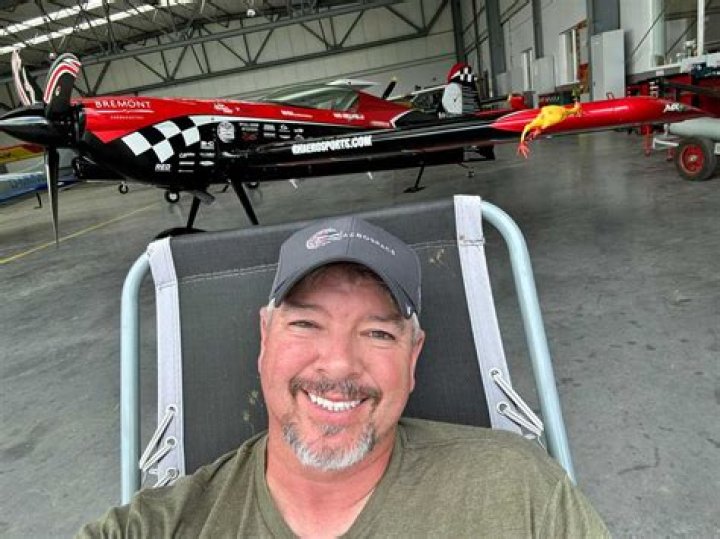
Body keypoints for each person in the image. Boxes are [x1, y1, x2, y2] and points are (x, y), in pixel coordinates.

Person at [78, 216, 609, 537]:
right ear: (264, 339)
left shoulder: (515, 487)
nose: (338, 365)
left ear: (413, 357)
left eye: (377, 333)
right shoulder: (163, 526)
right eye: (306, 324)